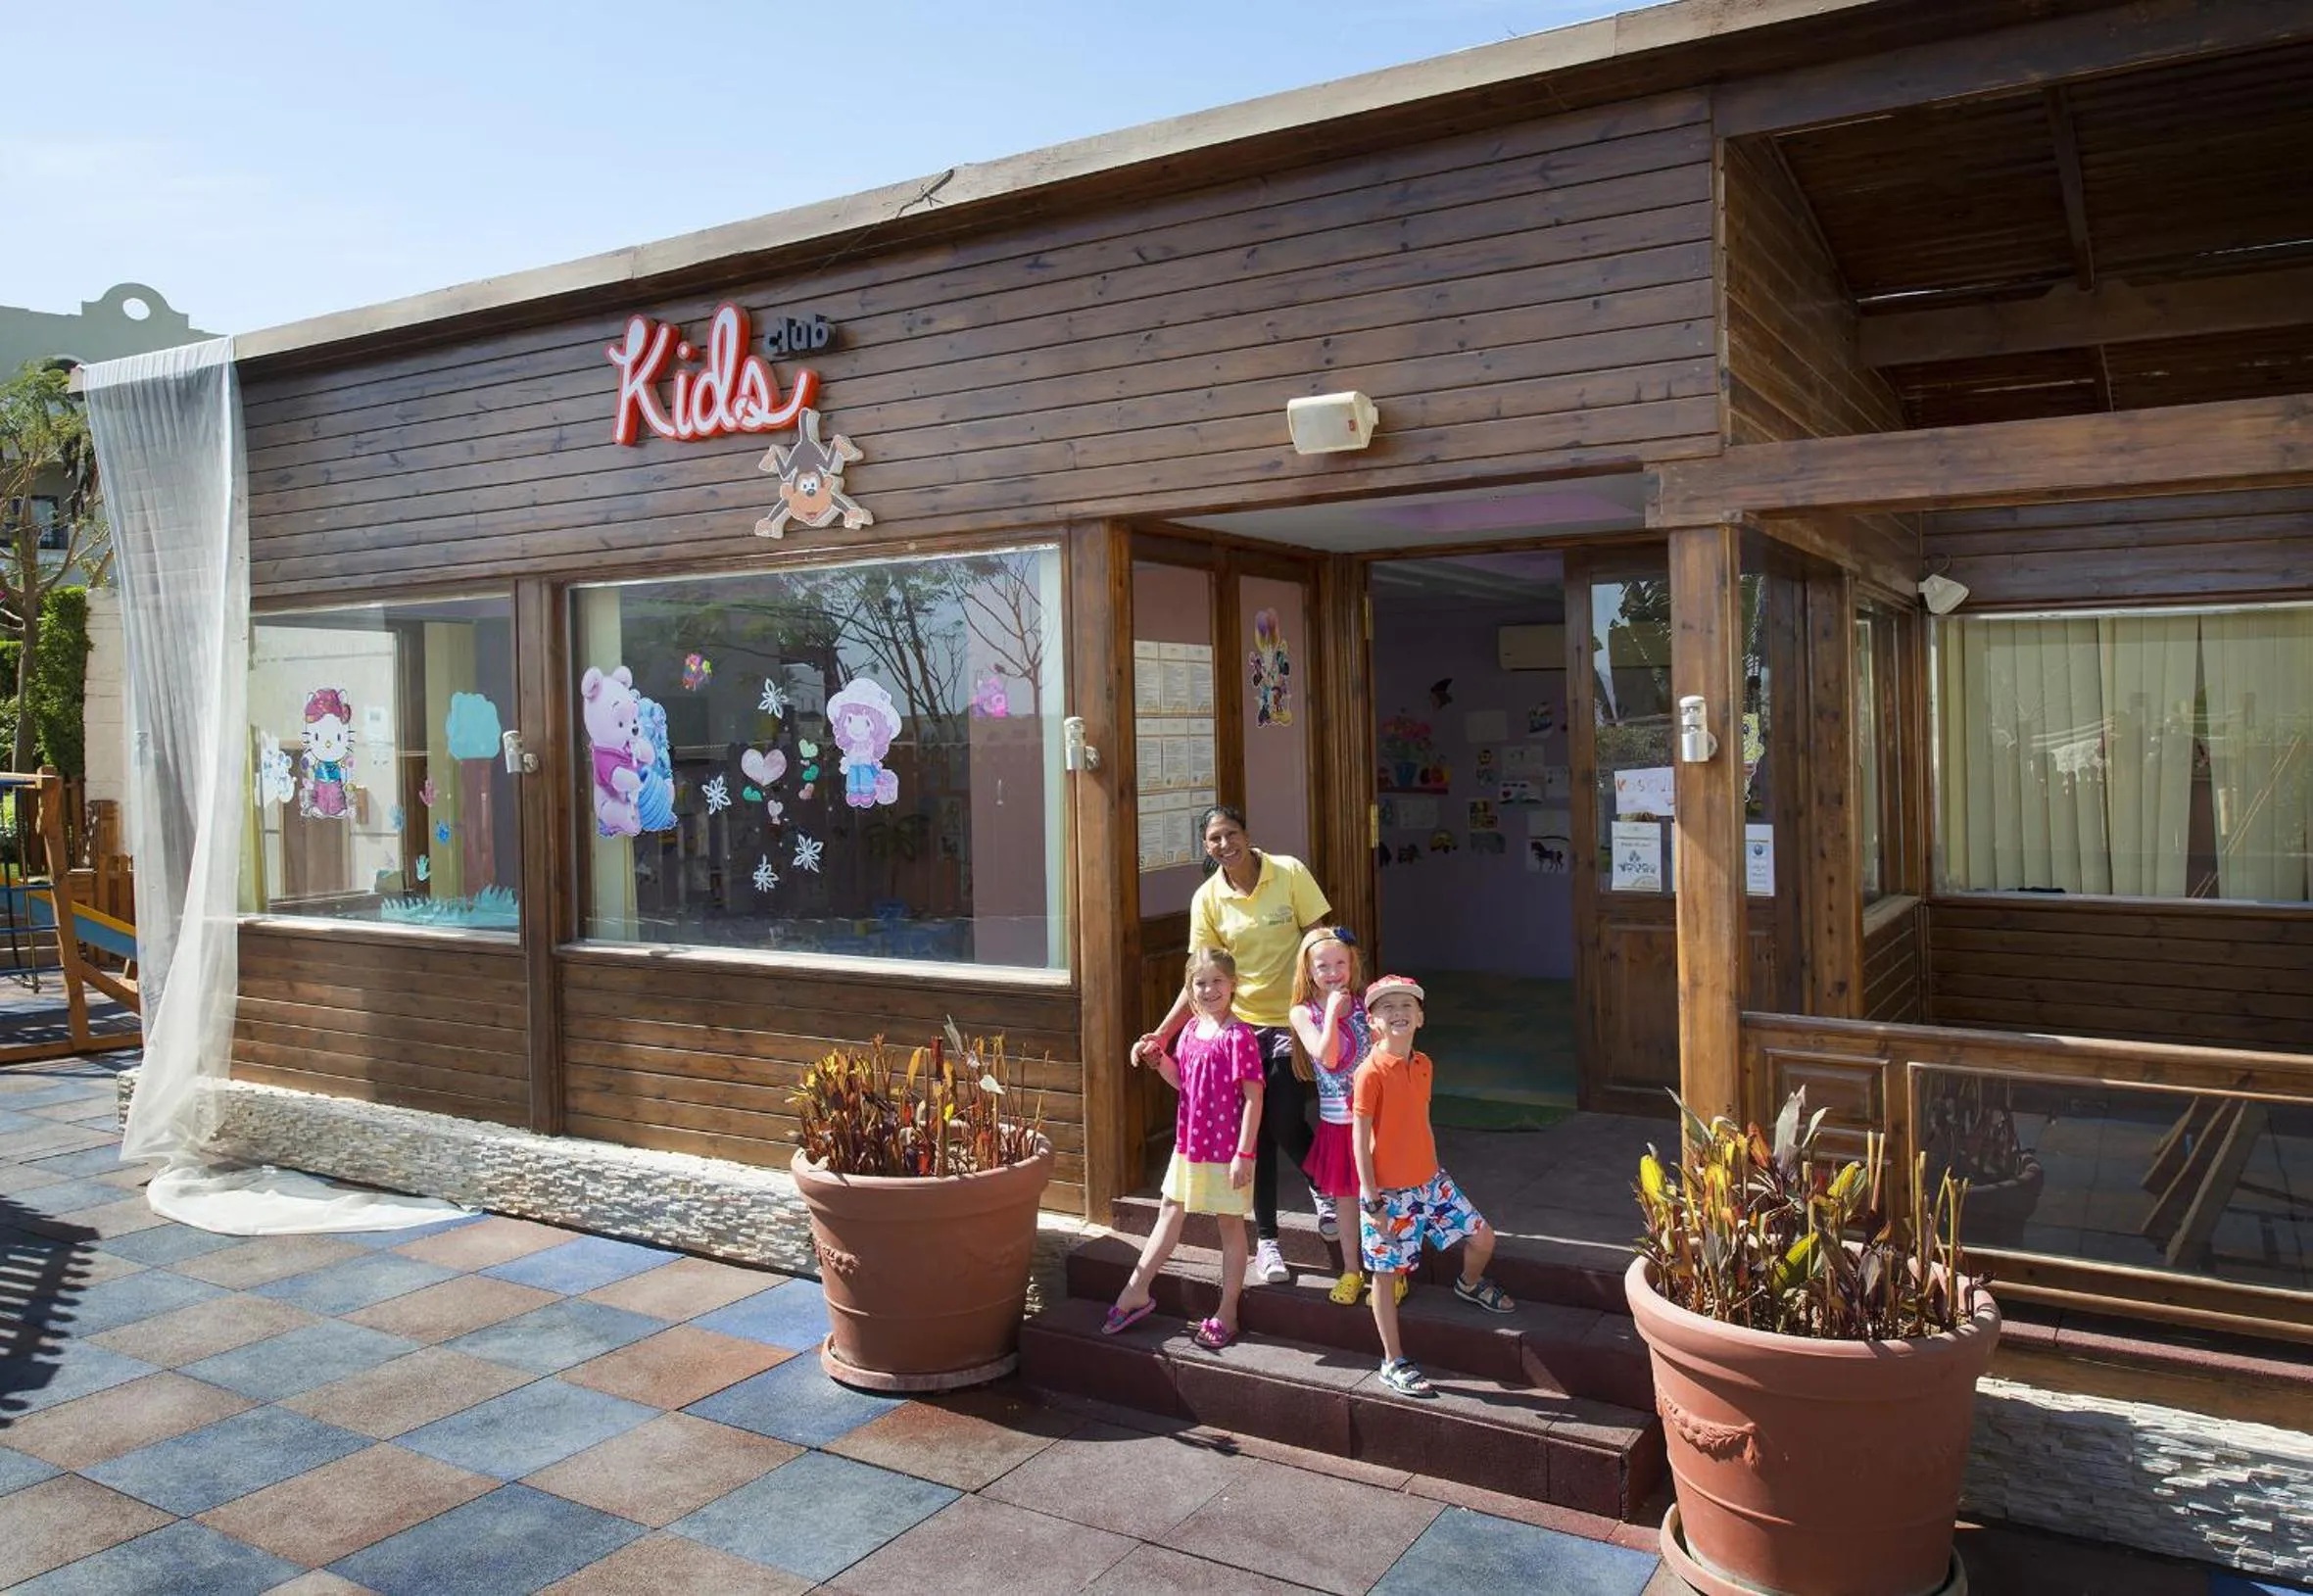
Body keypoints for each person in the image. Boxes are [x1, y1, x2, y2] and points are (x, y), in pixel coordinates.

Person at [1135, 804, 1330, 1285]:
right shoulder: (1208, 898)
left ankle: (1322, 1185)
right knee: (1257, 1136)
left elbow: (1319, 939)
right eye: (1215, 839)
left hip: (1290, 1020)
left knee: (1284, 1116)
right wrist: (1164, 1033)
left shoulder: (1289, 873)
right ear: (1206, 847)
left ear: (1247, 834)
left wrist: (1331, 1003)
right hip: (1238, 1030)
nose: (1225, 844)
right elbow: (1197, 976)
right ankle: (1268, 1243)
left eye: (1232, 833)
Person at [1352, 974, 1517, 1398]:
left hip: (1431, 1182)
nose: (1398, 1014)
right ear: (1372, 1022)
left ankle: (1468, 1283)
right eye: (1386, 1008)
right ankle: (1392, 1360)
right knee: (1386, 1276)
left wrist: (1434, 1167)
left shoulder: (1423, 1065)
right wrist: (1372, 1199)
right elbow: (1360, 1137)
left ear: (1421, 1017)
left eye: (1406, 1006)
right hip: (1389, 1194)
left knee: (1483, 1238)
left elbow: (1419, 1121)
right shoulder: (1370, 1072)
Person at [1104, 947, 1264, 1351]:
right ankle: (1136, 1290)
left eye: (1217, 981)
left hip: (1227, 1151)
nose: (1209, 989)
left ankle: (1228, 1311)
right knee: (1169, 1211)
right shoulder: (1191, 1030)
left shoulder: (1239, 1035)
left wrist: (1244, 1153)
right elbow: (1184, 1082)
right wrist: (1160, 1062)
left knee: (1230, 1226)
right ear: (1190, 989)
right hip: (1189, 1143)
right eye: (1200, 982)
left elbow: (1253, 1097)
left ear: (1232, 986)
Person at [1287, 926, 1373, 1306]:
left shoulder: (1365, 1003)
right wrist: (1334, 1014)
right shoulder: (1302, 1013)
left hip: (1373, 1121)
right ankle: (1352, 1270)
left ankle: (1388, 1271)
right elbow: (1329, 1056)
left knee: (1380, 1197)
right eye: (1323, 965)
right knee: (1346, 1201)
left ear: (1352, 964)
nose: (1333, 971)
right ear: (1308, 971)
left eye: (1341, 962)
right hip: (1338, 1123)